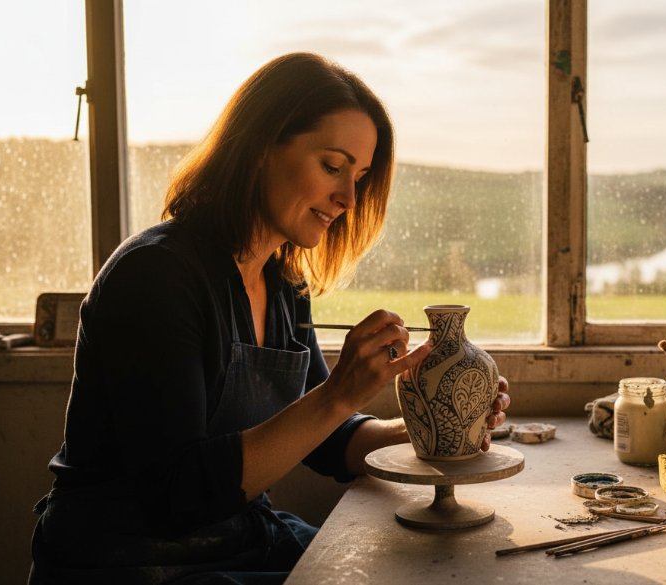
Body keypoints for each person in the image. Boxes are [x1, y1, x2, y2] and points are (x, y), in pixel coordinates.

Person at [28, 52, 511, 585]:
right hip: (131, 562)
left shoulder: (283, 284)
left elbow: (327, 440)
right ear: (260, 146)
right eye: (332, 166)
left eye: (361, 176)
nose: (349, 197)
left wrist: (436, 428)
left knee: (419, 569)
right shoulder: (157, 277)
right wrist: (340, 393)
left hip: (241, 540)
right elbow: (176, 494)